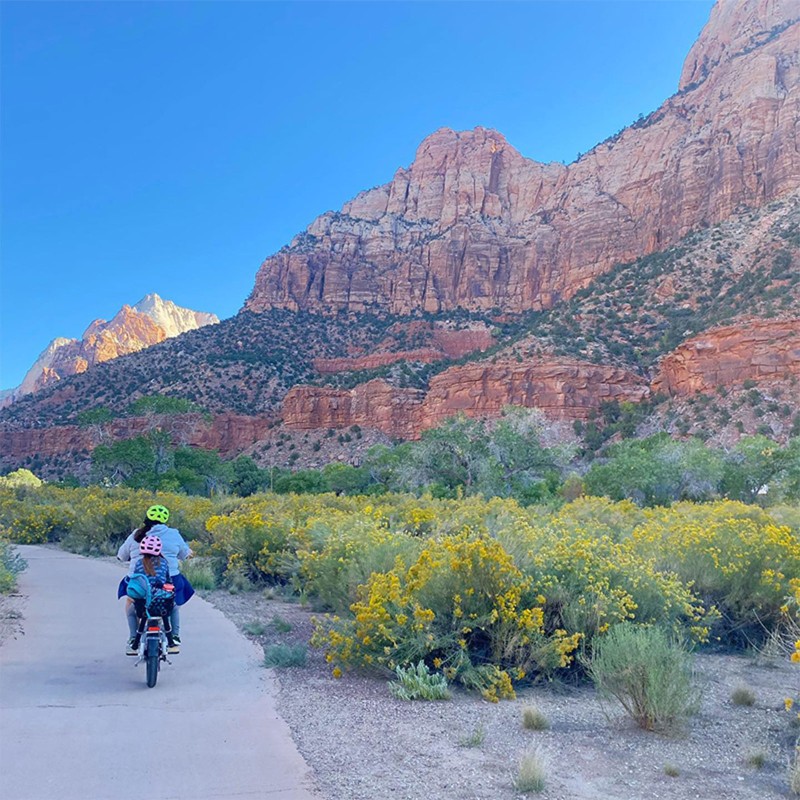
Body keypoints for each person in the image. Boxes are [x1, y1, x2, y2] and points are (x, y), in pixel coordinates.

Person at [118, 504, 194, 653]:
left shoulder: (136, 534)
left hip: (139, 581)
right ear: (165, 520)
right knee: (174, 604)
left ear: (146, 519)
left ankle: (133, 637)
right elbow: (185, 554)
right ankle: (175, 637)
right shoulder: (173, 534)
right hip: (169, 579)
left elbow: (121, 555)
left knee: (131, 604)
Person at [128, 534, 178, 655]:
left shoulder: (139, 563)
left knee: (130, 611)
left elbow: (136, 581)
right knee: (175, 608)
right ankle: (175, 636)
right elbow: (168, 581)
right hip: (160, 603)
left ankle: (133, 637)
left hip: (144, 603)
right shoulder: (164, 563)